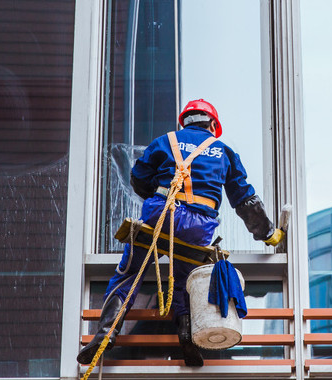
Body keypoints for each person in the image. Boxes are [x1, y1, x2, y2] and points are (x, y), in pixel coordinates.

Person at [77, 99, 284, 367]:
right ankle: (186, 336)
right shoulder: (224, 152)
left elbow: (138, 177)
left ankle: (104, 335)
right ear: (212, 125)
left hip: (160, 215)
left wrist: (163, 195)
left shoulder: (165, 141)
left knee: (129, 272)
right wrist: (268, 234)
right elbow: (244, 201)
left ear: (183, 122)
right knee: (185, 281)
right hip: (198, 228)